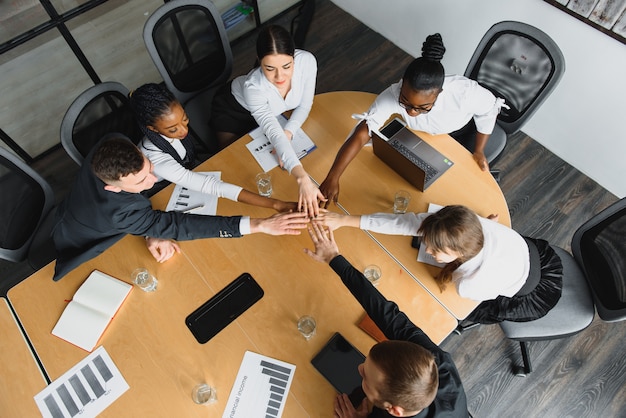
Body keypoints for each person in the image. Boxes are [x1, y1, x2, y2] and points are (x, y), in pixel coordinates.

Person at [52, 136, 309, 281]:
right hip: (79, 238)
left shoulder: (109, 145)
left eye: (149, 169)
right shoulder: (118, 213)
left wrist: (149, 228)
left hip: (93, 206)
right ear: (114, 188)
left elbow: (144, 210)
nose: (153, 181)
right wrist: (260, 225)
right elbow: (180, 226)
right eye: (142, 181)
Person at [319, 34, 508, 207]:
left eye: (423, 108)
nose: (411, 112)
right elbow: (362, 132)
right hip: (424, 136)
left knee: (452, 188)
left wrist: (479, 150)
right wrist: (333, 177)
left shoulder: (465, 93)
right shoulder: (393, 95)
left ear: (439, 93)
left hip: (461, 133)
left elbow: (489, 111)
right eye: (405, 103)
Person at [305, 222, 468, 417]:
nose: (359, 368)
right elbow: (386, 313)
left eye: (365, 378)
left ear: (394, 411)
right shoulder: (435, 363)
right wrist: (334, 258)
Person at [316, 205, 563, 325]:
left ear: (460, 253)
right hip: (529, 251)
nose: (429, 251)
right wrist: (344, 219)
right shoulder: (465, 223)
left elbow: (468, 299)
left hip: (532, 291)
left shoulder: (470, 284)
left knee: (450, 313)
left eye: (436, 250)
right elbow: (402, 223)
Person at [211, 24, 325, 217]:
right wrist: (302, 178)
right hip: (233, 111)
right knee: (234, 162)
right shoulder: (253, 87)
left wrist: (288, 132)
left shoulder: (307, 62)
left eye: (287, 66)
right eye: (269, 68)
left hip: (270, 116)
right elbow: (273, 132)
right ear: (258, 61)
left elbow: (304, 105)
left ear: (294, 57)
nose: (280, 76)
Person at [129, 83, 296, 212]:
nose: (184, 130)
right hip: (164, 192)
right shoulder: (155, 158)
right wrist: (277, 204)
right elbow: (212, 186)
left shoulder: (172, 130)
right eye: (173, 129)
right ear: (152, 129)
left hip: (188, 173)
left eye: (185, 120)